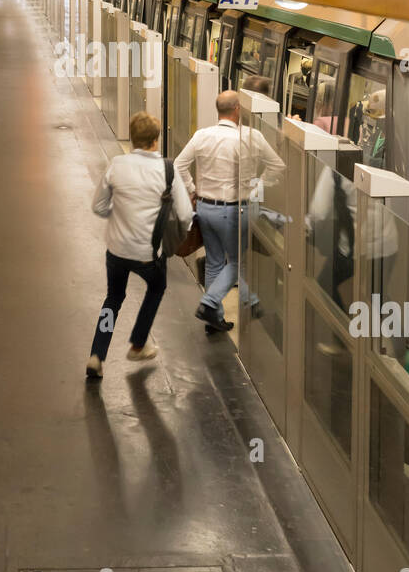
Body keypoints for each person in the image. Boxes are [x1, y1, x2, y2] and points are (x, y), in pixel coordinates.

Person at [86, 111, 192, 382]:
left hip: (117, 251)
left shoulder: (117, 165)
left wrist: (121, 215)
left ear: (132, 139)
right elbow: (184, 215)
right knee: (156, 288)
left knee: (113, 299)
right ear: (155, 140)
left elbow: (98, 206)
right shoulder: (168, 170)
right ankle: (137, 343)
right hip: (149, 254)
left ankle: (97, 354)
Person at [175, 90, 284, 334]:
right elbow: (278, 165)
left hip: (204, 208)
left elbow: (179, 164)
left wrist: (193, 190)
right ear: (237, 109)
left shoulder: (202, 135)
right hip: (235, 211)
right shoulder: (251, 137)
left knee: (214, 262)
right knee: (235, 262)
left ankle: (215, 320)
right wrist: (258, 187)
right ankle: (210, 303)